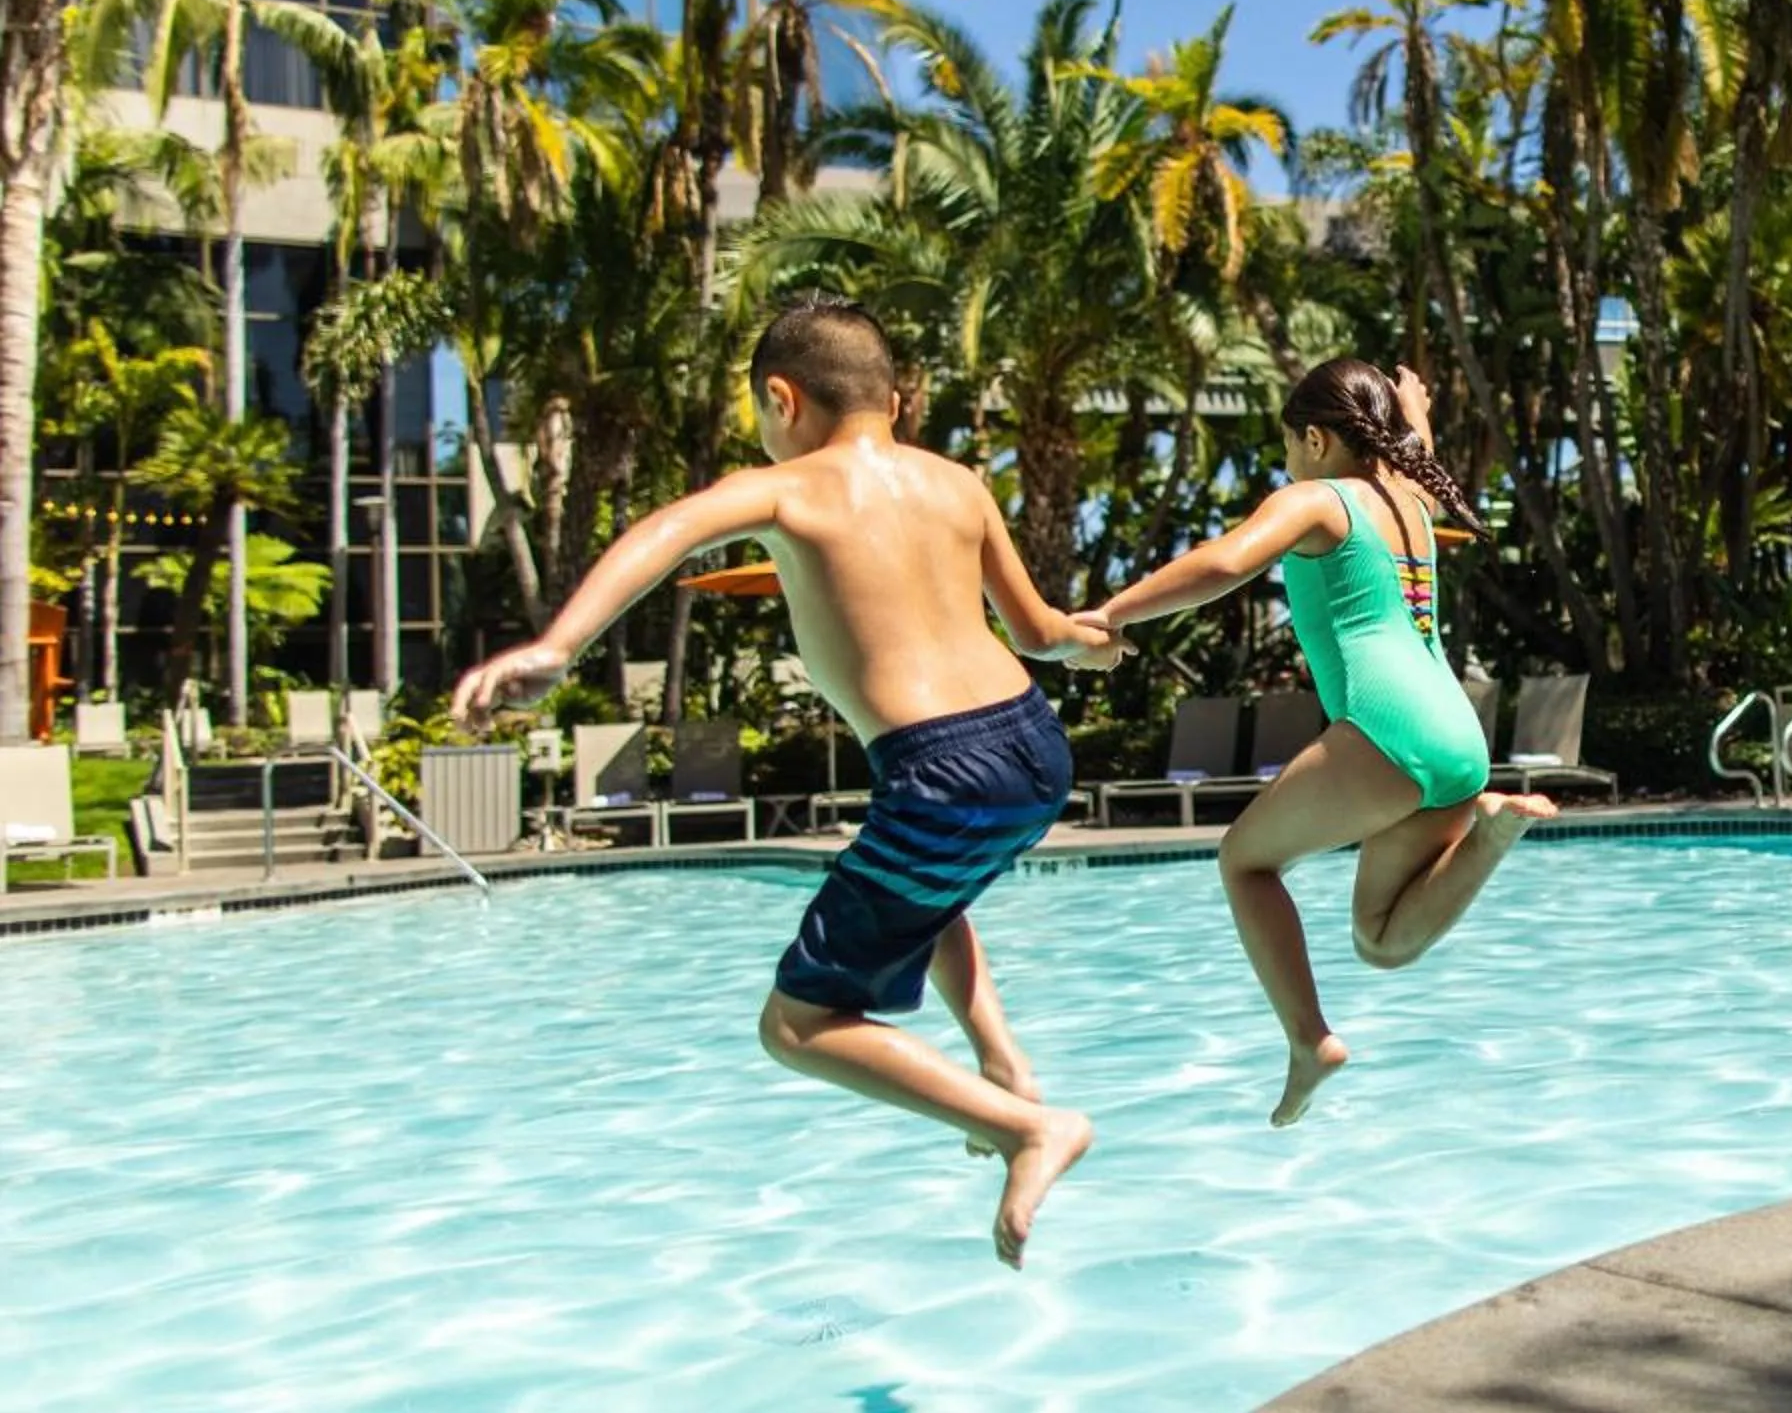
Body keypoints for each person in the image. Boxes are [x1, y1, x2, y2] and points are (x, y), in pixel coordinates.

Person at [453, 297, 1124, 1267]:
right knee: (922, 895)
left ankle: (1031, 1126)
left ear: (783, 398)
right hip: (1035, 748)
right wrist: (1090, 647)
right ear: (893, 399)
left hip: (941, 769)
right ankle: (1003, 1058)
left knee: (797, 1024)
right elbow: (1038, 630)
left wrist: (559, 644)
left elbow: (666, 533)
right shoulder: (959, 483)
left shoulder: (793, 488)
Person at [1083, 360, 1553, 1126]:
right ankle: (1493, 833)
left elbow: (1227, 561)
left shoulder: (1319, 501)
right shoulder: (1409, 497)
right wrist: (1413, 418)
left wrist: (1112, 615)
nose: (1289, 466)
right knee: (1382, 942)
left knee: (1246, 861)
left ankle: (1307, 1040)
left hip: (1388, 727)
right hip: (1460, 743)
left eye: (1290, 448)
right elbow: (1418, 458)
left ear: (1315, 437)